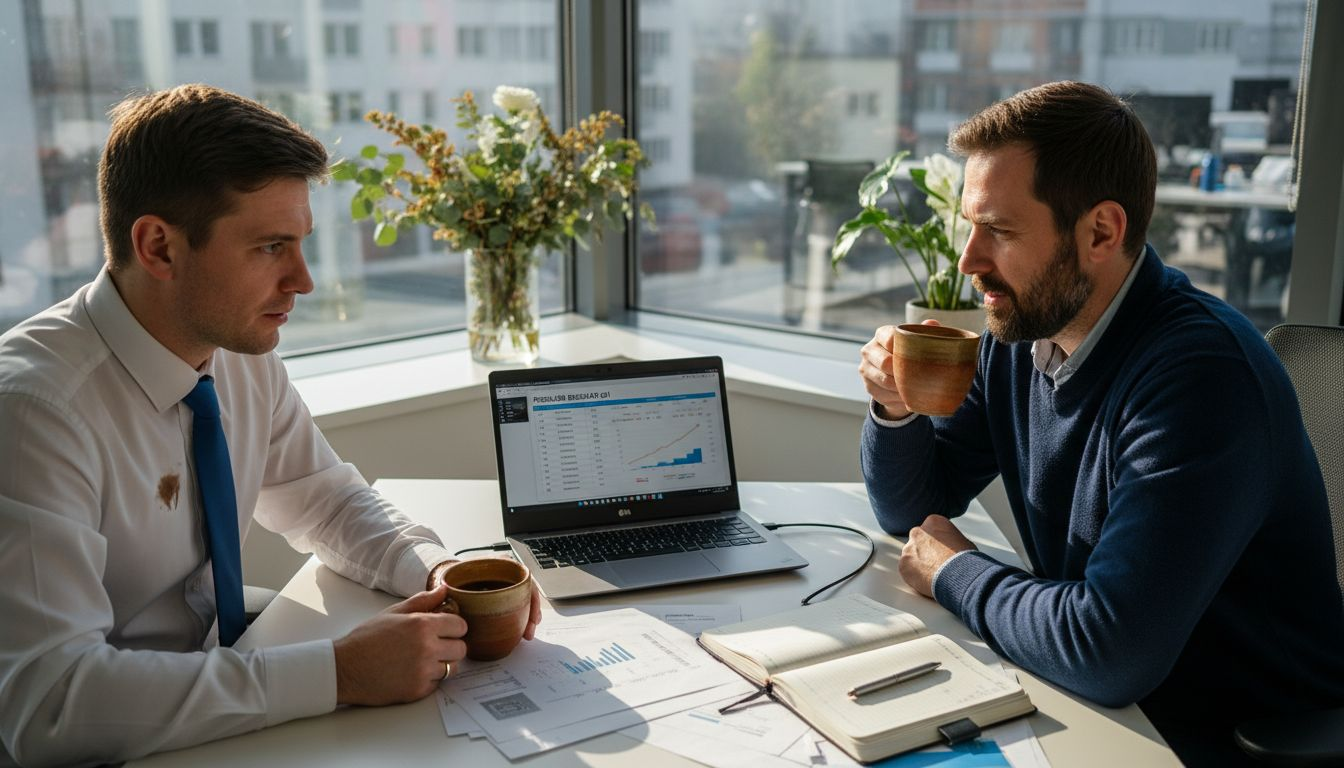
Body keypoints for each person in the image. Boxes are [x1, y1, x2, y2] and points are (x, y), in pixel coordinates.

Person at [0, 84, 541, 767]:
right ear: (159, 247)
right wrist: (337, 673)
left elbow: (324, 498)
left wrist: (443, 572)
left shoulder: (233, 350)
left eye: (301, 244)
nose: (304, 280)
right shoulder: (34, 413)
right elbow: (49, 704)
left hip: (218, 684)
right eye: (270, 247)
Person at [857, 81, 1344, 766]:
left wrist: (956, 573)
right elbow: (911, 508)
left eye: (997, 229)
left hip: (1218, 739)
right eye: (971, 226)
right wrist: (894, 406)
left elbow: (1110, 649)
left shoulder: (1201, 377)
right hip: (1097, 710)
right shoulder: (1020, 334)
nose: (969, 262)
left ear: (1100, 232)